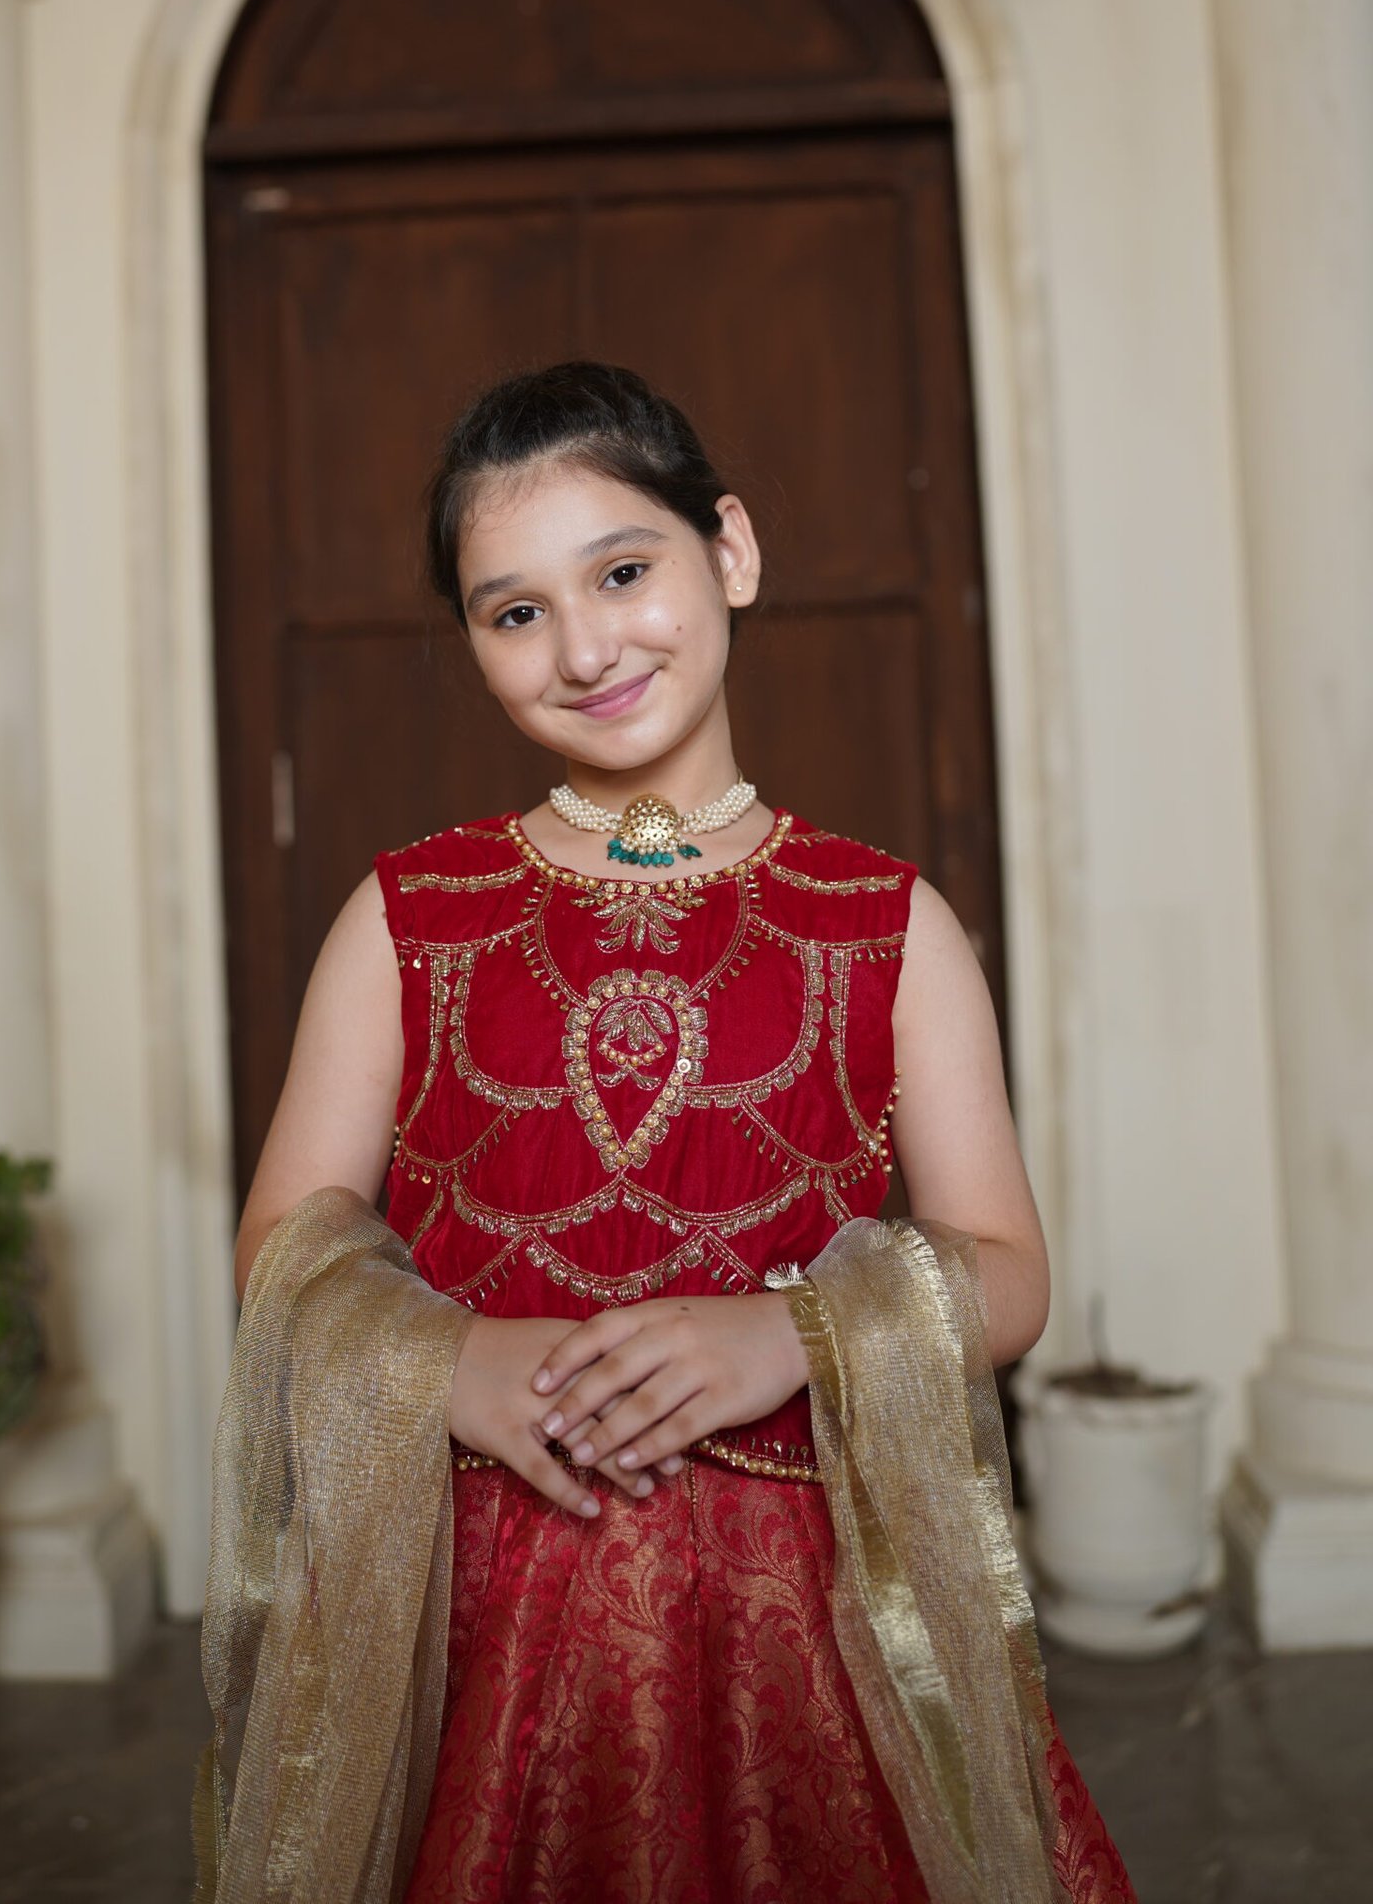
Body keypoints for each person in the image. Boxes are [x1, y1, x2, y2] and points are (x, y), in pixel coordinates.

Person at [203, 360, 1136, 1904]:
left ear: (732, 553)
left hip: (813, 1630)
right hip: (479, 1621)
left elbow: (1008, 1271)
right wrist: (450, 1361)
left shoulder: (888, 925)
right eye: (515, 612)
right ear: (472, 643)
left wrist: (794, 1333)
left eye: (623, 573)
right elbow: (279, 1250)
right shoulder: (406, 920)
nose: (585, 648)